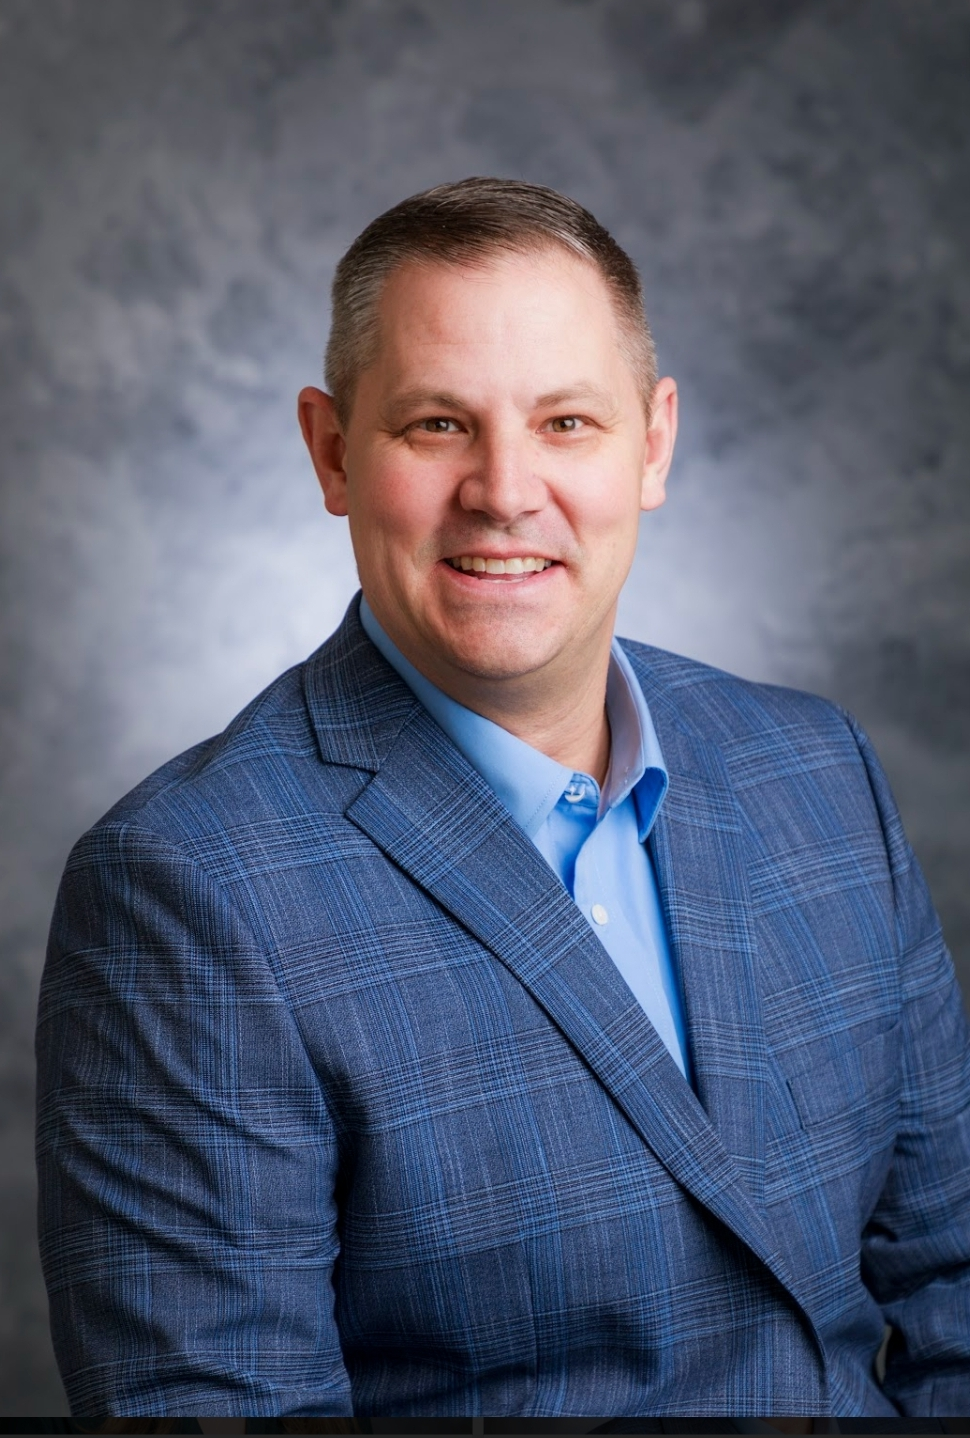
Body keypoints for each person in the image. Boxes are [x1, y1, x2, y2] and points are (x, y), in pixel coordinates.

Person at [36, 179, 970, 1426]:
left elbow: (956, 1276)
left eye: (566, 421)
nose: (505, 489)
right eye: (437, 424)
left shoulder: (817, 771)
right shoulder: (186, 887)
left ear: (652, 443)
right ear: (331, 451)